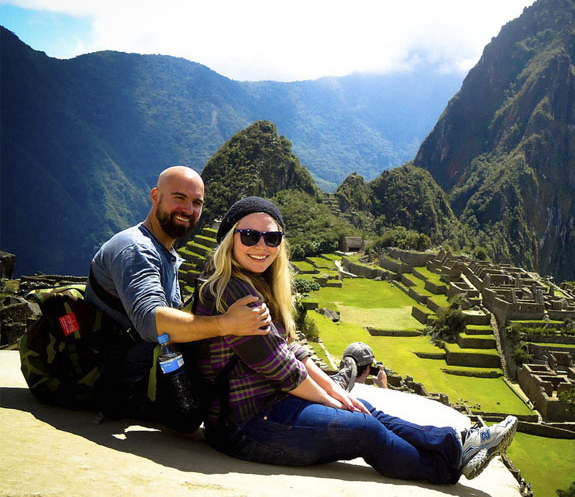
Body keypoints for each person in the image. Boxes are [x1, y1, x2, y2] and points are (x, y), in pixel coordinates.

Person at [192, 196, 518, 483]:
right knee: (363, 428)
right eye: (250, 235)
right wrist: (333, 402)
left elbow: (292, 351)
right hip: (244, 425)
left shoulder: (256, 284)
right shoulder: (231, 292)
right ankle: (445, 469)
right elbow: (283, 372)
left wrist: (335, 390)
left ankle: (459, 443)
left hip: (273, 405)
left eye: (272, 237)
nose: (262, 245)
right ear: (229, 240)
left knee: (365, 407)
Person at [86, 166, 272, 426]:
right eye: (179, 198)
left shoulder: (163, 251)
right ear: (155, 196)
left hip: (146, 376)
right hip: (125, 387)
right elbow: (153, 322)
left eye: (197, 202)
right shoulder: (135, 249)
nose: (188, 209)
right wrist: (226, 324)